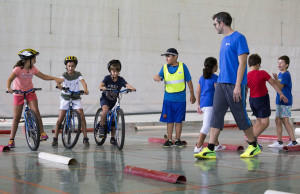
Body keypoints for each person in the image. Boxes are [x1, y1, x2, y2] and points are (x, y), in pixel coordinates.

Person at [196, 12, 260, 159]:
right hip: (221, 84)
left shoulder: (239, 38)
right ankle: (210, 148)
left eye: (215, 24)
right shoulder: (224, 40)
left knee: (240, 116)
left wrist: (238, 86)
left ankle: (253, 146)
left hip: (234, 85)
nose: (214, 27)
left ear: (221, 23)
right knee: (216, 115)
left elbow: (243, 63)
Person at [6, 48, 63, 148]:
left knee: (36, 111)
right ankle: (11, 139)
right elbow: (10, 79)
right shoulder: (18, 69)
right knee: (17, 117)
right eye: (34, 57)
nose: (35, 59)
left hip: (30, 92)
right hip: (18, 93)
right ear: (28, 59)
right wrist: (8, 88)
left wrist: (55, 78)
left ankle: (42, 133)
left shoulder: (33, 68)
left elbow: (44, 76)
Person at [153, 48, 196, 147]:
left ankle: (177, 139)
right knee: (169, 120)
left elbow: (189, 81)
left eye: (168, 56)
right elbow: (158, 76)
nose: (166, 59)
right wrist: (156, 78)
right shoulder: (164, 68)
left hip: (180, 100)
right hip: (168, 99)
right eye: (166, 57)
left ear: (175, 57)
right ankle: (169, 139)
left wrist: (192, 95)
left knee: (179, 120)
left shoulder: (183, 67)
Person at [247, 54, 288, 148]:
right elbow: (273, 83)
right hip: (261, 99)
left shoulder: (247, 75)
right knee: (265, 123)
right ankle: (251, 140)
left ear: (249, 64)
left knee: (259, 122)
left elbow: (245, 89)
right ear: (258, 64)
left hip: (252, 100)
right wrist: (281, 94)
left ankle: (253, 141)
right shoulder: (262, 73)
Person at [52, 56, 90, 147]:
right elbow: (59, 81)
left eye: (72, 66)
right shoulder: (64, 75)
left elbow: (83, 82)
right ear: (66, 66)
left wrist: (85, 89)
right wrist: (60, 86)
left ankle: (85, 138)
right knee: (60, 119)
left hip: (76, 97)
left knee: (82, 117)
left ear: (75, 66)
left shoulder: (78, 74)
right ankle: (55, 138)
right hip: (65, 98)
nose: (70, 68)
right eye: (69, 66)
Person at [97, 60, 136, 145]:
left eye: (117, 71)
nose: (115, 73)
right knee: (105, 110)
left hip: (115, 101)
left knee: (114, 119)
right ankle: (102, 126)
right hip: (105, 99)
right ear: (110, 71)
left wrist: (132, 88)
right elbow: (101, 85)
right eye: (113, 71)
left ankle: (112, 138)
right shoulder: (107, 78)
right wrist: (103, 87)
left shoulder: (120, 79)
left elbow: (126, 85)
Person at [194, 57, 226, 154]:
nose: (217, 67)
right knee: (207, 126)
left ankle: (216, 144)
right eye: (217, 65)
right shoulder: (216, 78)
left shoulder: (201, 78)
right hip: (211, 105)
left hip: (203, 104)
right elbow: (218, 92)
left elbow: (198, 91)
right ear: (214, 67)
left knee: (213, 124)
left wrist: (199, 105)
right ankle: (198, 146)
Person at [268, 55, 297, 148]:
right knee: (278, 119)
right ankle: (279, 141)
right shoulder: (280, 74)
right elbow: (278, 86)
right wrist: (275, 80)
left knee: (285, 120)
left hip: (285, 100)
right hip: (280, 100)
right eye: (278, 62)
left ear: (287, 64)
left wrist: (275, 80)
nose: (279, 64)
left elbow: (280, 87)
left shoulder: (285, 74)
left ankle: (293, 141)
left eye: (281, 63)